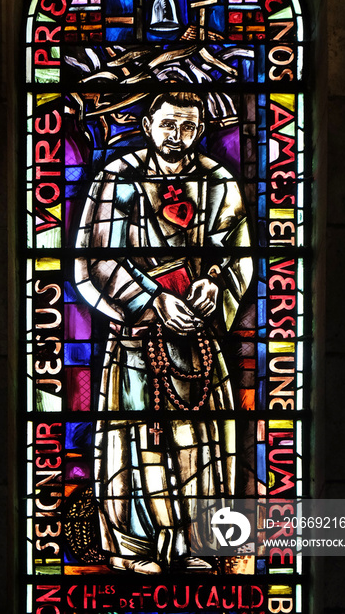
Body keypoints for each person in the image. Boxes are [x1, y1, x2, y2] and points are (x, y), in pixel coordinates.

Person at [74, 91, 253, 574]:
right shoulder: (118, 178)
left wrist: (214, 285)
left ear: (200, 130)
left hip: (198, 338)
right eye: (169, 125)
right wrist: (152, 300)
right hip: (137, 338)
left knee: (203, 445)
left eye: (189, 127)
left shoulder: (218, 180)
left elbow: (235, 248)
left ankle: (200, 545)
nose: (178, 136)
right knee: (135, 442)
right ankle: (136, 548)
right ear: (148, 125)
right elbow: (98, 259)